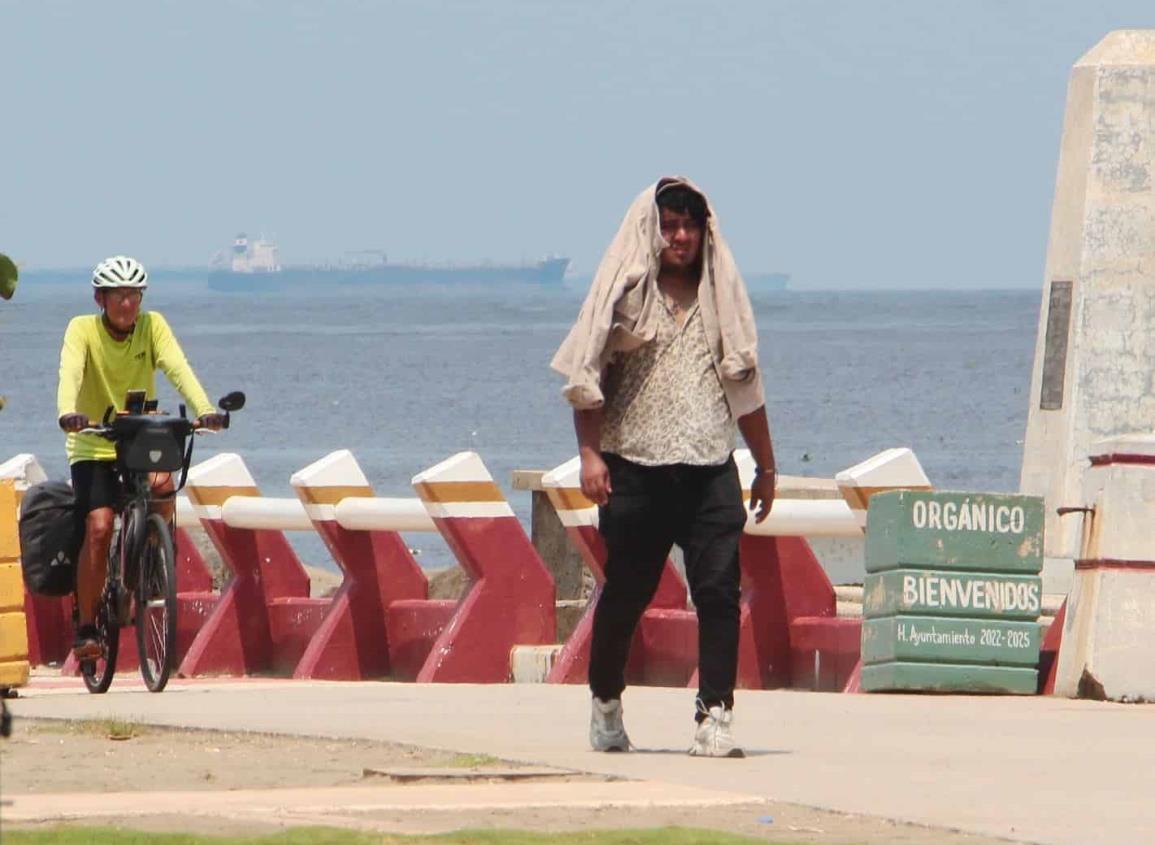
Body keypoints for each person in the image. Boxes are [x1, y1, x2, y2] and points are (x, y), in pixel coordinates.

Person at [552, 177, 776, 758]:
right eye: (670, 225)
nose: (680, 237)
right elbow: (587, 376)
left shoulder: (720, 298)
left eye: (690, 226)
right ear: (653, 231)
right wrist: (589, 453)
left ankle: (715, 716)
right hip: (636, 470)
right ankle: (605, 705)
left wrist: (767, 468)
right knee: (627, 593)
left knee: (719, 595)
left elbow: (747, 387)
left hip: (709, 469)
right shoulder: (624, 296)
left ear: (705, 232)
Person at [57, 255, 224, 660]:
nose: (128, 304)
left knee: (164, 486)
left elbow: (178, 367)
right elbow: (71, 373)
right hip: (93, 442)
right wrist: (68, 413)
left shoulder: (153, 327)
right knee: (98, 527)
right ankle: (85, 629)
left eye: (134, 295)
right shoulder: (82, 330)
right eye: (118, 296)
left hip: (137, 438)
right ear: (101, 299)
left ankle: (148, 564)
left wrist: (204, 409)